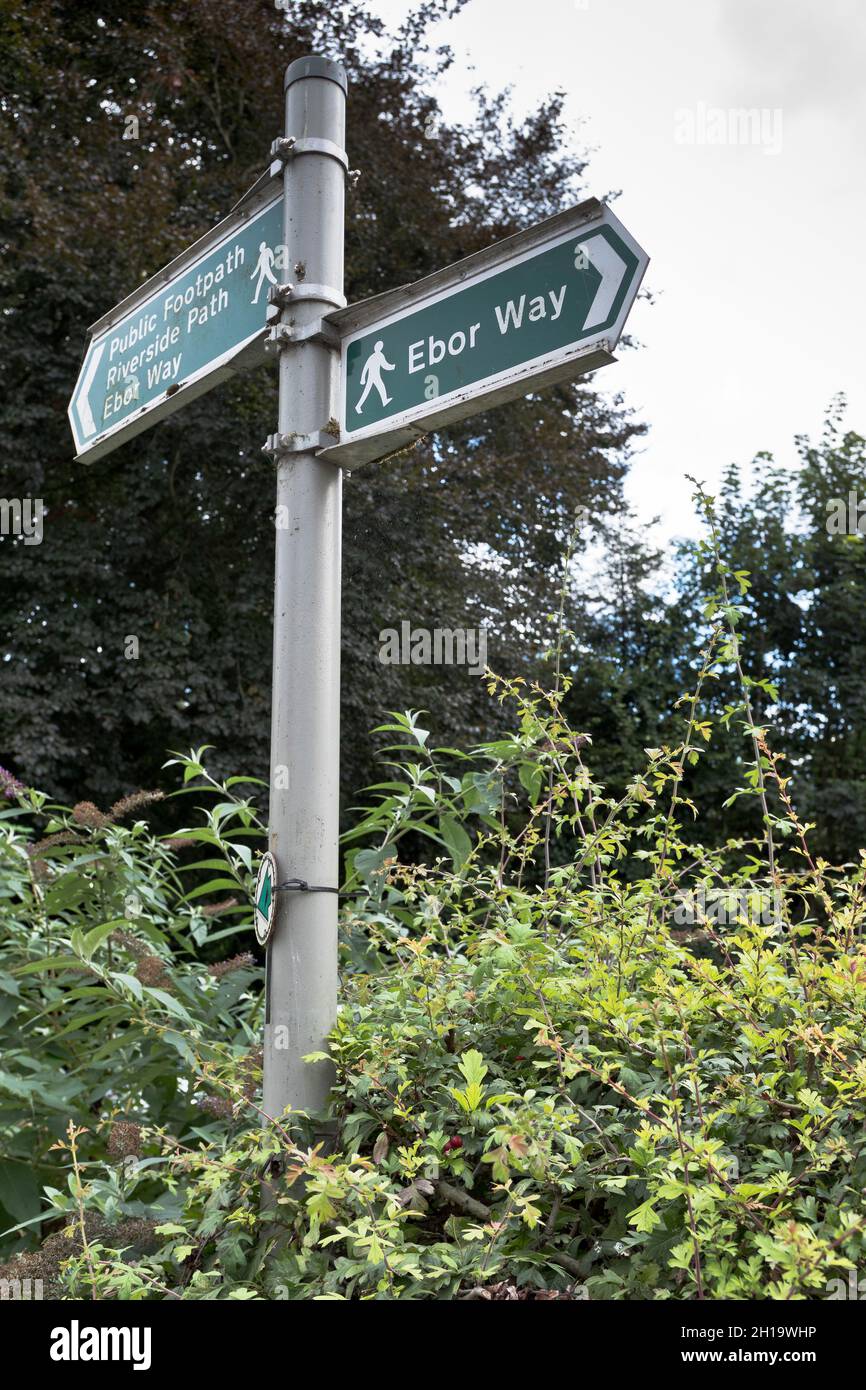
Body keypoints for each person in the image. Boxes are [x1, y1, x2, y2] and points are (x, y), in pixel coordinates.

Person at [355, 340, 396, 413]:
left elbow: (384, 365)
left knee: (380, 387)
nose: (377, 347)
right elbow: (366, 367)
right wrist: (393, 366)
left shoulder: (377, 355)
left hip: (375, 376)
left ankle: (384, 400)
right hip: (372, 376)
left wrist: (391, 366)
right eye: (377, 346)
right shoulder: (376, 356)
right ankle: (358, 406)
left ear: (380, 348)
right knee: (366, 392)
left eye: (379, 346)